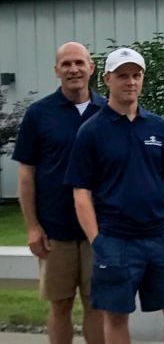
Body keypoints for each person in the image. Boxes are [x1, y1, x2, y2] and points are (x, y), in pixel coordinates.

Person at [64, 47, 164, 344]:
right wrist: (97, 240)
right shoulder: (91, 131)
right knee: (116, 316)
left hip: (162, 238)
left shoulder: (158, 127)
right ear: (107, 79)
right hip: (116, 240)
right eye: (123, 76)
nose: (131, 82)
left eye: (136, 75)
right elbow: (81, 192)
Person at [12, 42, 106, 344]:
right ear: (56, 71)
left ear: (91, 67)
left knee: (97, 305)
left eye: (79, 62)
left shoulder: (109, 111)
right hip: (55, 230)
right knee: (60, 304)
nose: (73, 69)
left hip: (100, 230)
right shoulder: (39, 114)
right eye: (66, 64)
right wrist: (32, 226)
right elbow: (26, 174)